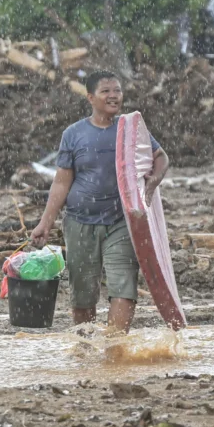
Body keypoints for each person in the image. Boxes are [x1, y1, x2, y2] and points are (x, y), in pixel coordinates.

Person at [30, 71, 168, 334]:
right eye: (106, 91)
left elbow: (161, 156)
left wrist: (154, 180)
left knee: (124, 288)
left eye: (117, 90)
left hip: (122, 221)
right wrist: (45, 223)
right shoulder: (73, 134)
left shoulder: (130, 130)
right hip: (79, 222)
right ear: (90, 97)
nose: (113, 95)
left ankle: (114, 352)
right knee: (83, 295)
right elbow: (61, 182)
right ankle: (87, 348)